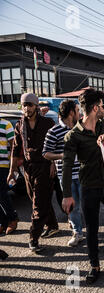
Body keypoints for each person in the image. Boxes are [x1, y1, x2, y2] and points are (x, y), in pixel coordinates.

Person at [61, 88, 104, 284]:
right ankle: (95, 266)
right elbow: (67, 166)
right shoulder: (73, 135)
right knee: (92, 229)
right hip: (89, 187)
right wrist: (67, 194)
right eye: (102, 106)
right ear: (95, 108)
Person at [7, 93, 58, 252]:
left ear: (36, 105)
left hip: (44, 165)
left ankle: (33, 238)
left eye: (30, 104)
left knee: (38, 204)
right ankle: (52, 224)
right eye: (24, 105)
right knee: (36, 198)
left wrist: (54, 163)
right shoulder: (20, 125)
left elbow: (55, 145)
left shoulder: (48, 122)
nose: (27, 108)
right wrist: (12, 171)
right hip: (28, 168)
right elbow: (15, 150)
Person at [42, 100, 84, 247]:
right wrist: (62, 155)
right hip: (66, 177)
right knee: (73, 206)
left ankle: (91, 232)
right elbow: (46, 153)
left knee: (89, 205)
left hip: (84, 174)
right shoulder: (54, 131)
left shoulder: (82, 128)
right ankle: (77, 232)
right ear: (71, 112)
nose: (80, 113)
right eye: (78, 110)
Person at [0, 116, 19, 235]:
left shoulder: (6, 124)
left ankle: (12, 219)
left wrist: (13, 167)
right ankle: (3, 222)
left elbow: (14, 147)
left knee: (2, 194)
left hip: (3, 165)